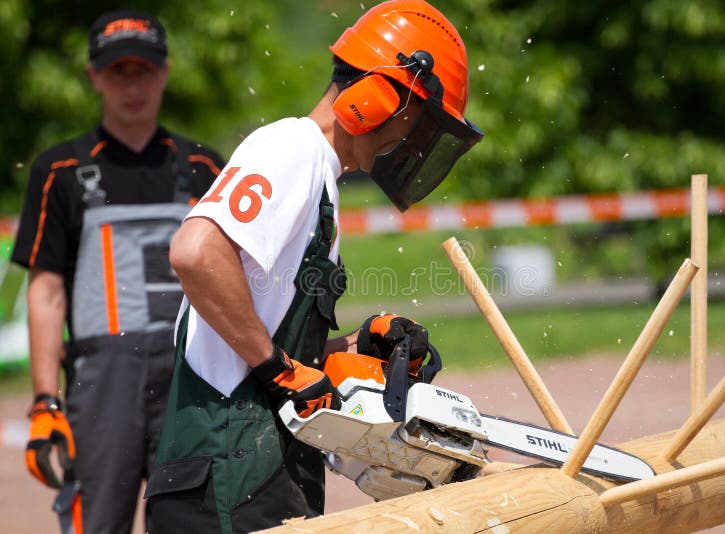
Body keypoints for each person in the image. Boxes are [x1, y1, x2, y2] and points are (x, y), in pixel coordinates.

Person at [144, 1, 483, 532]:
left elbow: (261, 341)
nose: (410, 142)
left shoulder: (321, 179)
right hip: (225, 476)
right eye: (416, 123)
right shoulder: (291, 149)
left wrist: (355, 345)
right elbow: (195, 252)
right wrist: (279, 368)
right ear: (377, 98)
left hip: (254, 470)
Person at [11, 9, 225, 533]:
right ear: (95, 77)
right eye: (118, 72)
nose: (133, 85)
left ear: (166, 72)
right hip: (101, 385)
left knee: (193, 522)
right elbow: (46, 291)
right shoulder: (60, 170)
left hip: (191, 380)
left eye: (144, 70)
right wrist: (44, 402)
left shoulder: (205, 168)